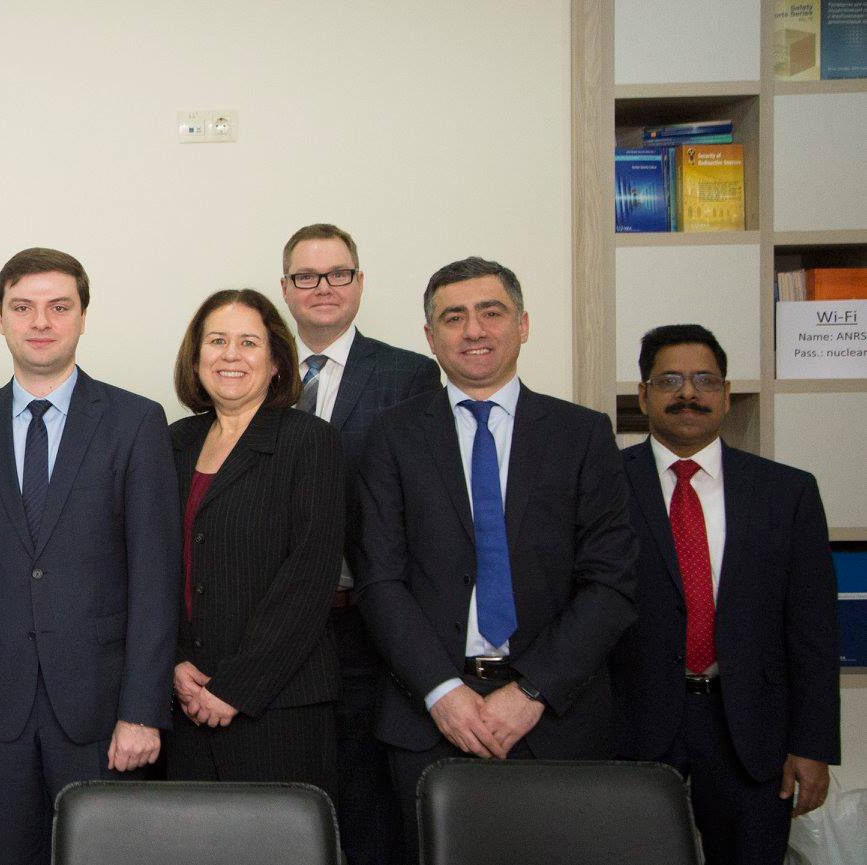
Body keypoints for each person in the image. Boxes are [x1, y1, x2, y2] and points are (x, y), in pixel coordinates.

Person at [355, 257, 637, 840]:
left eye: (491, 313)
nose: (474, 331)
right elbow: (379, 580)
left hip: (555, 717)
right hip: (428, 718)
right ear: (430, 336)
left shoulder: (582, 435)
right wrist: (442, 691)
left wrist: (533, 691)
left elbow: (610, 583)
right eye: (453, 317)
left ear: (523, 324)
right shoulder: (391, 435)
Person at [0, 248, 178, 865]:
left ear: (83, 317)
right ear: (0, 318)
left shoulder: (136, 421)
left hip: (102, 710)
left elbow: (155, 579)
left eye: (59, 307)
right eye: (23, 307)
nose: (40, 321)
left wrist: (143, 710)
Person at [610, 324, 839, 865]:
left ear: (727, 394)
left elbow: (813, 628)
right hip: (632, 722)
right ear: (643, 394)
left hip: (752, 728)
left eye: (705, 380)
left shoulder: (787, 491)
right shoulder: (603, 484)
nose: (688, 393)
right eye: (669, 380)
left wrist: (812, 745)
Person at [275, 223, 439, 865]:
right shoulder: (255, 368)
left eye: (338, 273)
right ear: (285, 288)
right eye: (306, 276)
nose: (323, 287)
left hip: (370, 625)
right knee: (289, 806)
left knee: (372, 809)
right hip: (275, 627)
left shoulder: (410, 376)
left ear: (360, 282)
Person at [165, 289, 343, 795]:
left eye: (248, 342)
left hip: (279, 706)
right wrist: (174, 661)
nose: (231, 355)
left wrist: (237, 687)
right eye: (217, 341)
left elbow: (308, 579)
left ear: (276, 362)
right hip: (185, 700)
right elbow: (152, 565)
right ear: (196, 357)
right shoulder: (174, 442)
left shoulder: (309, 441)